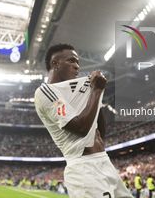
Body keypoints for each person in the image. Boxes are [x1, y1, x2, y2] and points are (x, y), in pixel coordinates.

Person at [34, 44, 133, 198]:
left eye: (78, 62)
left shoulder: (78, 93)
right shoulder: (45, 92)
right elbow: (81, 128)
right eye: (71, 61)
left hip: (104, 162)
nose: (77, 66)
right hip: (84, 168)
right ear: (55, 64)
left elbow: (100, 132)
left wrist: (94, 97)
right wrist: (96, 91)